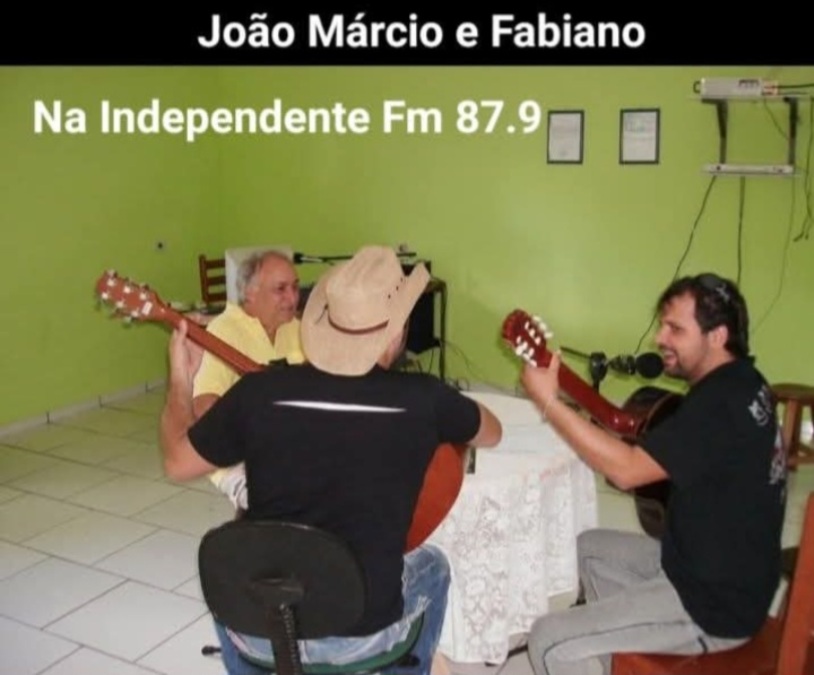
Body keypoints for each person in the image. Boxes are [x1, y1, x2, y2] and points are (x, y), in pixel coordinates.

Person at [160, 244, 503, 675]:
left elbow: (176, 461)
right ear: (397, 332)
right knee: (434, 566)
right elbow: (491, 432)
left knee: (235, 578)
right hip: (358, 636)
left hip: (262, 630)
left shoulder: (259, 392)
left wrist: (180, 379)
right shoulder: (424, 399)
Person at [516, 272, 787, 675]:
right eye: (663, 326)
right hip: (707, 567)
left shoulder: (718, 405)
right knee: (588, 547)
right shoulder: (745, 381)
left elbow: (627, 471)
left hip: (711, 606)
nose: (660, 338)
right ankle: (617, 655)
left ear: (717, 336)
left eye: (675, 329)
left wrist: (549, 404)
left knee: (547, 638)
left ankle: (607, 642)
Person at [192, 248, 304, 510]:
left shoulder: (294, 327)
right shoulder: (225, 330)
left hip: (289, 444)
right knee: (277, 500)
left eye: (295, 287)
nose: (292, 298)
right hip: (239, 457)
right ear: (250, 293)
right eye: (281, 289)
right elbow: (204, 405)